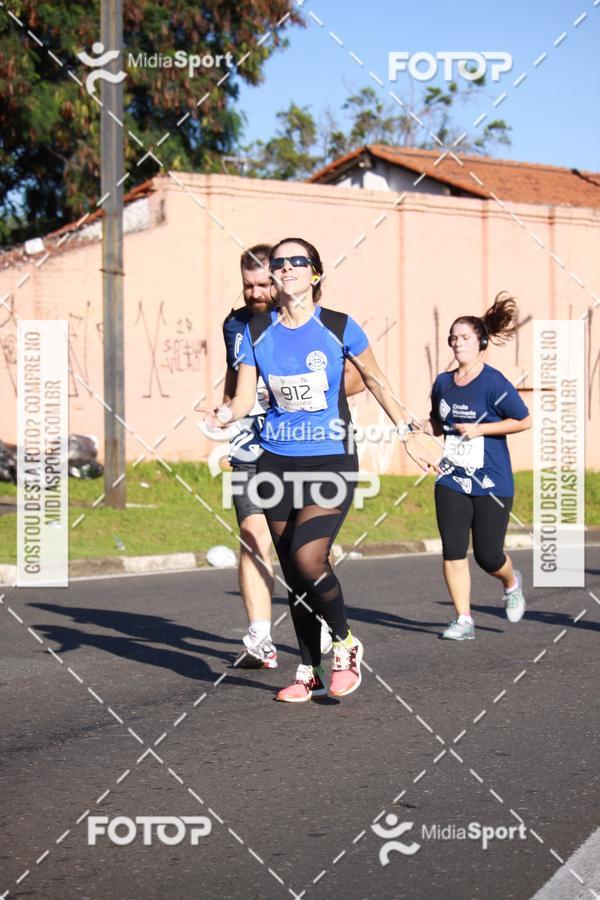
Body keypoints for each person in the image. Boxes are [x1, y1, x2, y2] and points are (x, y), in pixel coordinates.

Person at [207, 237, 412, 702]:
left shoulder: (338, 326)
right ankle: (308, 670)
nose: (287, 268)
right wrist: (224, 415)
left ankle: (345, 643)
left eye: (298, 261)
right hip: (275, 460)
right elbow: (242, 398)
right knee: (293, 573)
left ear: (315, 273)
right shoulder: (255, 330)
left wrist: (408, 427)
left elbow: (376, 380)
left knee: (308, 556)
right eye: (279, 263)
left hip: (330, 457)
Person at [221, 244, 365, 670]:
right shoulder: (239, 326)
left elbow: (355, 378)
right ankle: (268, 641)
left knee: (308, 555)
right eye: (249, 285)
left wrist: (307, 396)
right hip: (258, 447)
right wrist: (225, 414)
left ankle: (335, 631)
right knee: (257, 538)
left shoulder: (325, 326)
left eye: (264, 282)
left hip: (318, 446)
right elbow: (235, 386)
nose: (257, 291)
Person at [422, 293, 531, 641]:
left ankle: (512, 584)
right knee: (453, 549)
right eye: (453, 338)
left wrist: (481, 428)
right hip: (452, 476)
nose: (456, 343)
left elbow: (524, 420)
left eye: (464, 337)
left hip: (492, 481)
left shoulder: (494, 382)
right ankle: (464, 619)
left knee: (488, 555)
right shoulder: (443, 382)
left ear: (481, 342)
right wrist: (417, 432)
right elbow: (438, 424)